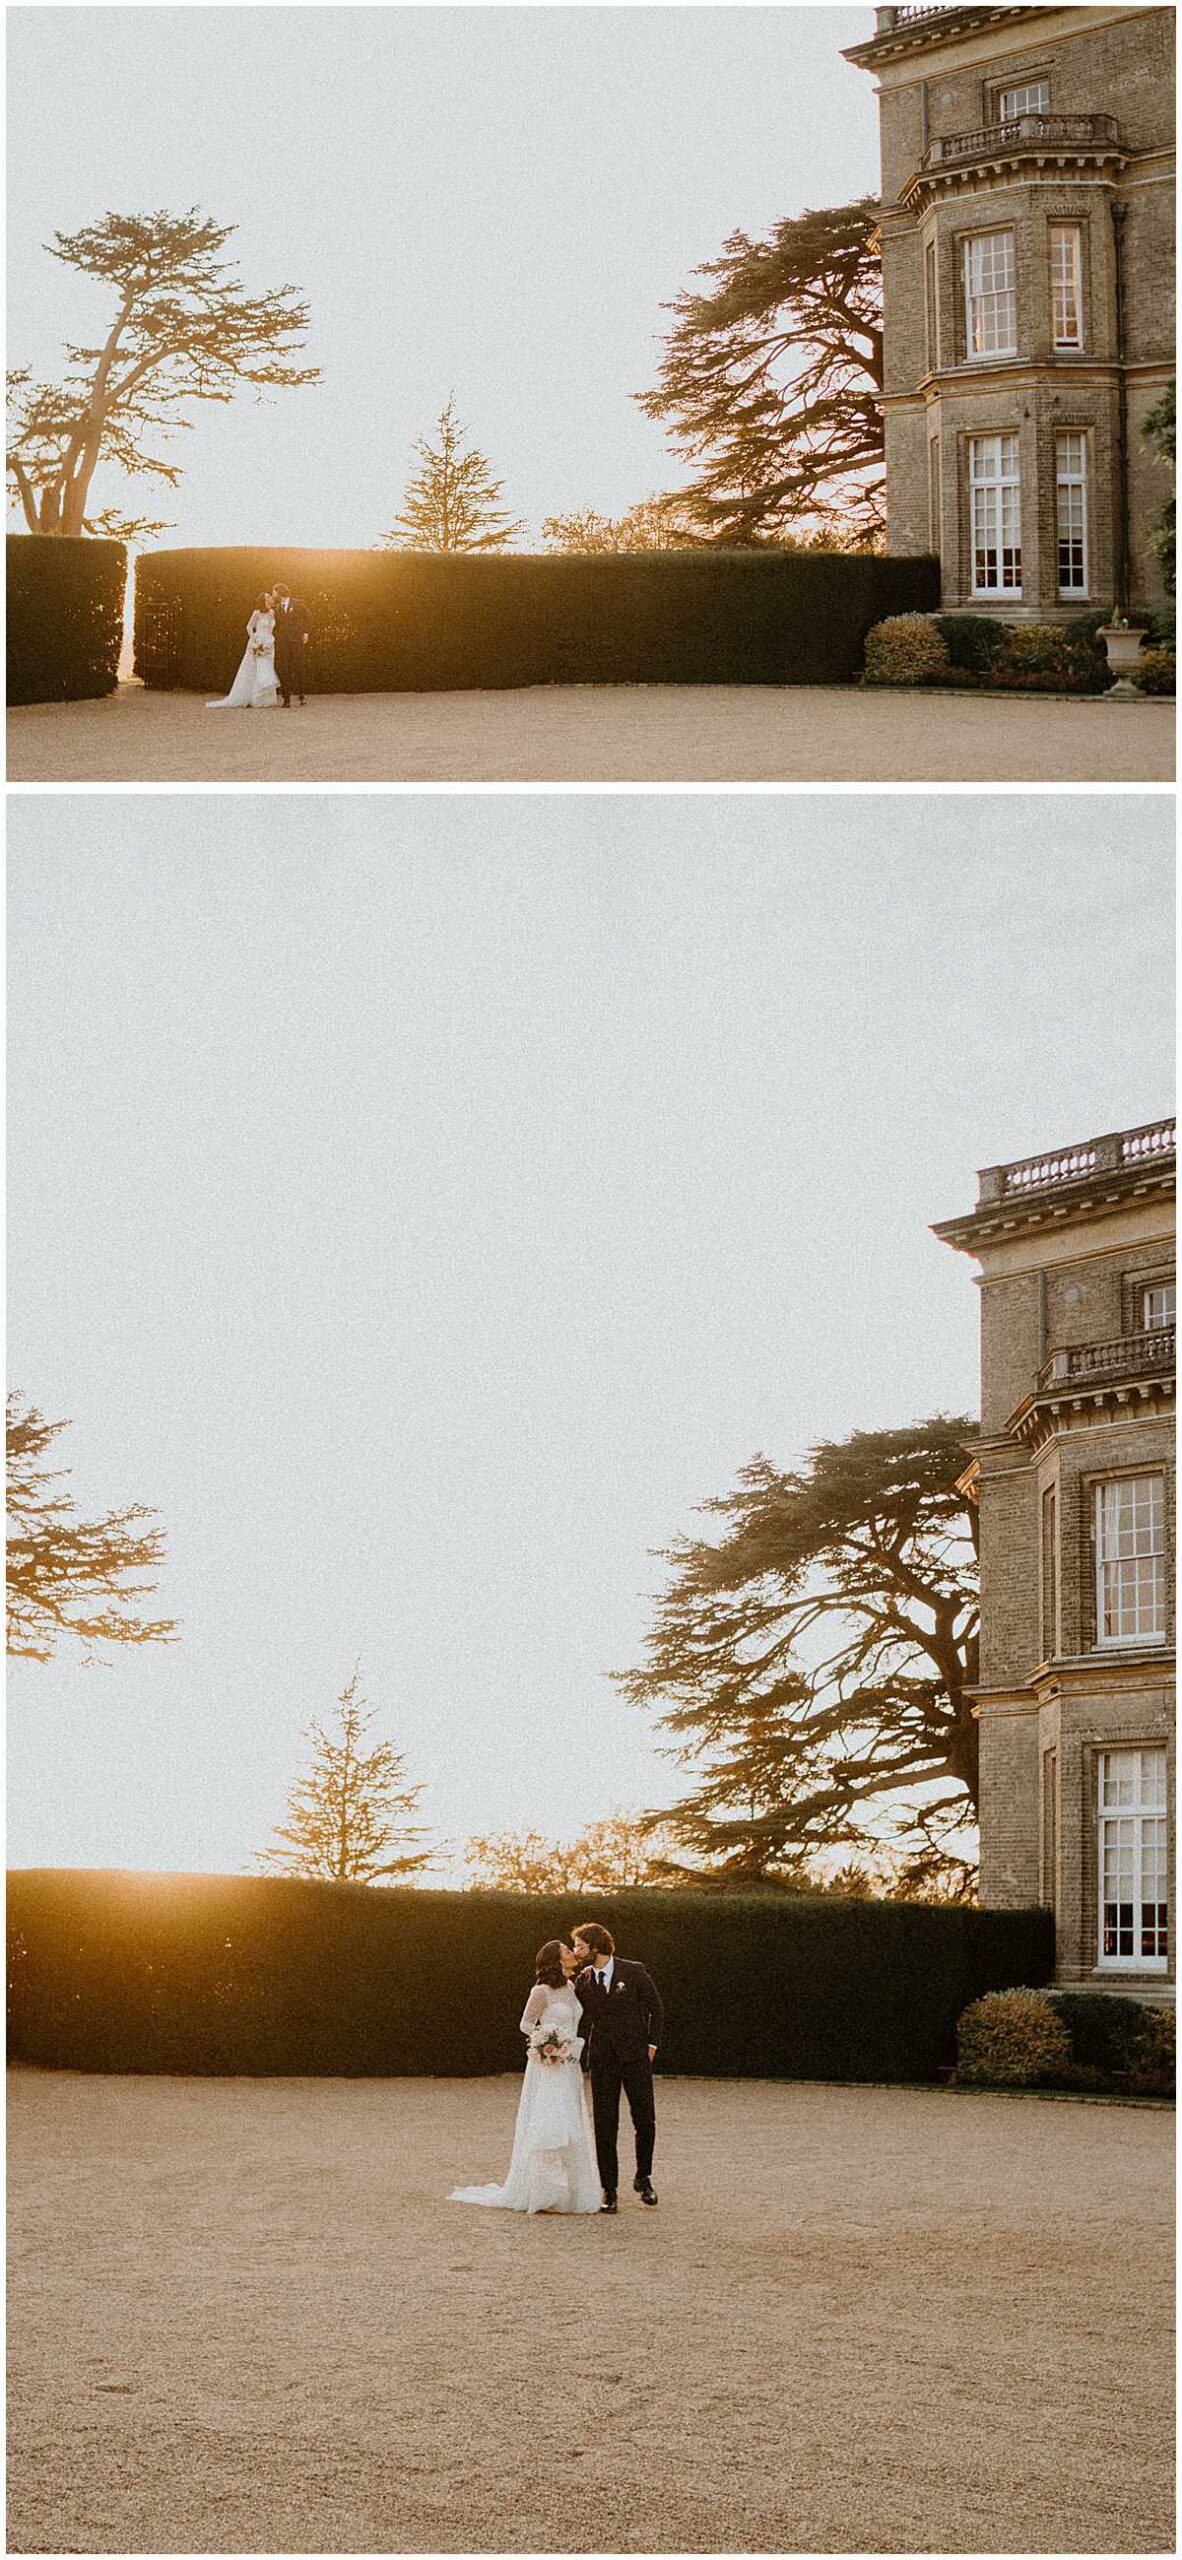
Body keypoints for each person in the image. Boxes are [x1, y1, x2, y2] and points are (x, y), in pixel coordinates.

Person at [449, 1940, 600, 2215]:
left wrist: (569, 2045)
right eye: (567, 1951)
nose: (572, 1953)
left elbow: (577, 2019)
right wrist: (548, 2043)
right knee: (550, 2121)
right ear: (555, 1959)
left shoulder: (572, 1987)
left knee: (570, 2121)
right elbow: (526, 2024)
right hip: (549, 2065)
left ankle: (569, 2191)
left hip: (570, 2064)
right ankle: (545, 2191)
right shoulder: (541, 1991)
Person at [572, 1922, 663, 2213]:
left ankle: (643, 2178)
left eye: (580, 1946)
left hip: (636, 2057)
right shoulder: (583, 1982)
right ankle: (609, 2190)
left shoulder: (633, 1971)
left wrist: (652, 2046)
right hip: (602, 2060)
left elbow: (656, 2008)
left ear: (596, 1947)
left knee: (645, 2120)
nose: (576, 1952)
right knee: (605, 2124)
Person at [206, 593, 278, 710]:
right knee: (255, 669)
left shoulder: (272, 613)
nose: (270, 598)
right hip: (258, 642)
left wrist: (268, 642)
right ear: (264, 600)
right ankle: (253, 697)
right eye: (268, 596)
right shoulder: (257, 613)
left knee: (267, 668)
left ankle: (265, 698)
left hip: (269, 643)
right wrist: (255, 639)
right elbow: (249, 627)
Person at [272, 583, 312, 706]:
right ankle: (286, 698)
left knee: (299, 668)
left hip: (296, 642)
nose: (273, 594)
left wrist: (306, 633)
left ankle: (301, 694)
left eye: (274, 592)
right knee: (284, 669)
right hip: (283, 643)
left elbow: (308, 618)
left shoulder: (297, 604)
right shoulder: (276, 608)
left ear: (280, 592)